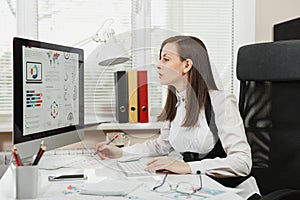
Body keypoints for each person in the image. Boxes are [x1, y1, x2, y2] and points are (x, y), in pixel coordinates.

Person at [95, 36, 259, 197]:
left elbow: (242, 162)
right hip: (192, 186)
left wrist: (187, 167)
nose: (158, 65)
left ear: (187, 65)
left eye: (165, 59)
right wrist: (120, 152)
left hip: (225, 190)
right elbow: (160, 147)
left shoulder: (220, 102)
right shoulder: (175, 102)